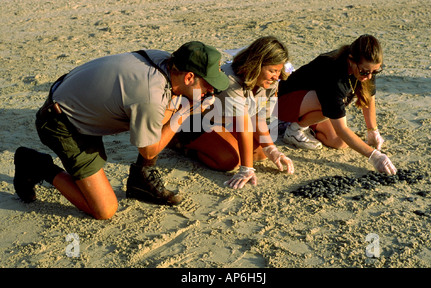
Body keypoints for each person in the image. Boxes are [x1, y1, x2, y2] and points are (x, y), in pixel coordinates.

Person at [13, 41, 229, 220]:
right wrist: (184, 114)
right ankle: (37, 165)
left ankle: (141, 178)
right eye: (208, 84)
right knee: (104, 210)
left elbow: (163, 97)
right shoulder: (149, 95)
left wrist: (179, 105)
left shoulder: (163, 61)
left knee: (172, 101)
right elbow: (149, 151)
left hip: (73, 100)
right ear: (189, 77)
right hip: (61, 123)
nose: (212, 90)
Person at [173, 36, 294, 189]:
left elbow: (258, 116)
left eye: (279, 70)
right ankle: (180, 143)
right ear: (256, 64)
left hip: (226, 121)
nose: (276, 76)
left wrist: (271, 148)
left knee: (262, 153)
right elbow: (243, 124)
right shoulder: (231, 80)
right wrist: (246, 168)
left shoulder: (269, 82)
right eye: (272, 70)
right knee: (230, 161)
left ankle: (224, 141)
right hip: (197, 120)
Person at [276, 34, 397, 175]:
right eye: (365, 72)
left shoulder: (366, 67)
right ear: (351, 59)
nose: (369, 76)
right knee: (328, 108)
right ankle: (294, 130)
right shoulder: (334, 76)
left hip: (309, 103)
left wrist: (373, 130)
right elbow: (342, 129)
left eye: (375, 71)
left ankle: (307, 124)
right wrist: (374, 156)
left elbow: (369, 97)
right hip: (283, 103)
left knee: (339, 142)